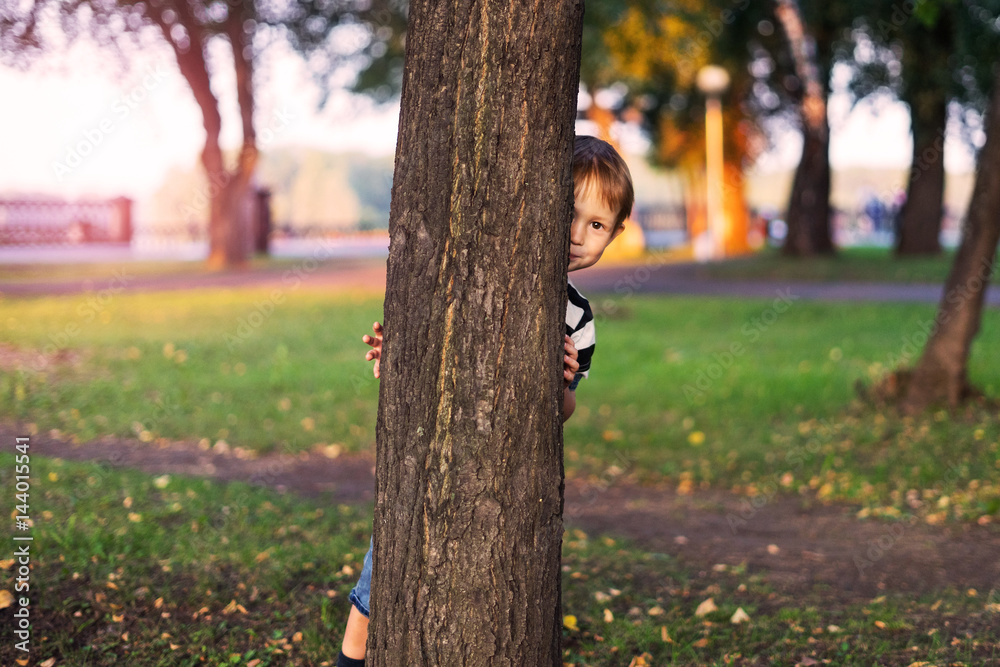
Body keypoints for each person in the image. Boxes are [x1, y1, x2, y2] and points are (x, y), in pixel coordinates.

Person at [335, 135, 634, 667]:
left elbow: (565, 412)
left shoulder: (578, 319)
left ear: (616, 234)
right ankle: (350, 656)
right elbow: (430, 353)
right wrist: (395, 359)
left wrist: (561, 386)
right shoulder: (482, 272)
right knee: (381, 579)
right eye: (569, 212)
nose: (575, 234)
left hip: (507, 475)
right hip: (436, 450)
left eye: (596, 224)